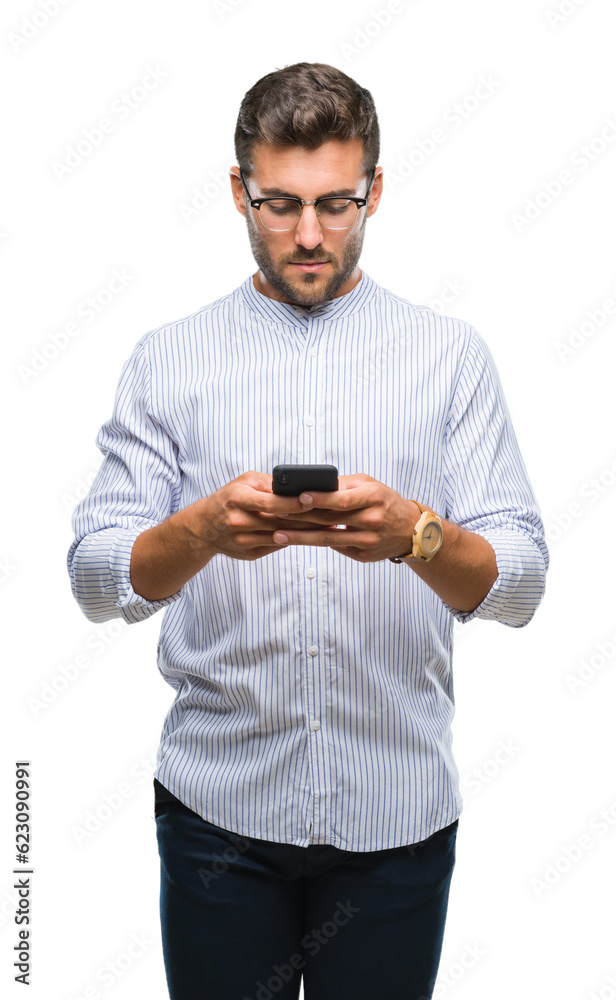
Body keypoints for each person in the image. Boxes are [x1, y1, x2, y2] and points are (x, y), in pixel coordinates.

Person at [67, 62, 549, 1000]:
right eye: (280, 204)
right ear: (238, 191)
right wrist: (201, 528)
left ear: (377, 188)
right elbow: (94, 579)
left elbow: (523, 586)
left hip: (396, 818)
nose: (309, 235)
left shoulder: (449, 360)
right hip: (218, 816)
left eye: (337, 203)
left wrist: (419, 536)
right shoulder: (170, 359)